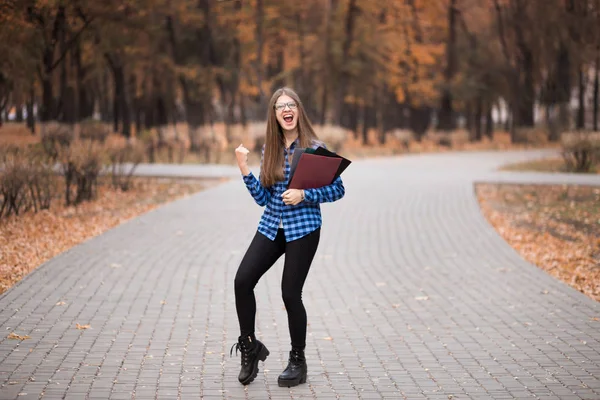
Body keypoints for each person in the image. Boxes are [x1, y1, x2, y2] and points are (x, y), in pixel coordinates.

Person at [230, 87, 345, 387]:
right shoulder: (270, 149)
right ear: (275, 115)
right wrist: (244, 170)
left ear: (298, 110)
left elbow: (338, 189)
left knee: (290, 294)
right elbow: (262, 198)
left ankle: (298, 360)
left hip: (304, 228)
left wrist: (305, 194)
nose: (286, 109)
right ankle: (250, 347)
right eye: (280, 106)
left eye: (291, 104)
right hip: (272, 225)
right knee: (242, 281)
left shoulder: (315, 148)